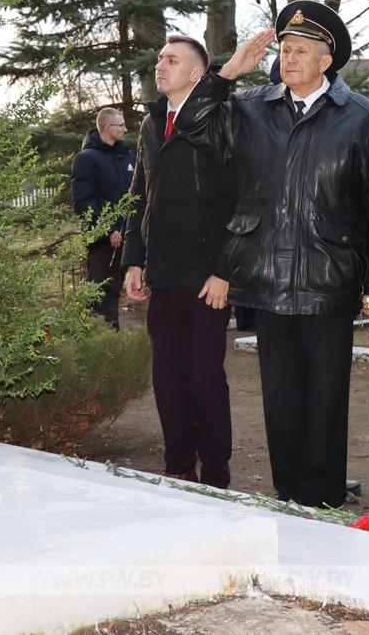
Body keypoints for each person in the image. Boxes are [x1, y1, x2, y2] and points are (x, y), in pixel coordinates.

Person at [176, 0, 369, 509]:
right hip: (269, 278)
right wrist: (229, 72)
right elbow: (191, 125)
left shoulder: (359, 118)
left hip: (330, 278)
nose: (289, 58)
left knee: (325, 397)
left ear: (326, 61)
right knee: (280, 397)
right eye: (286, 50)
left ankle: (322, 497)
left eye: (301, 51)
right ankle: (289, 494)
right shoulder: (253, 107)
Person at [121, 35, 237, 488]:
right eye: (159, 59)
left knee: (205, 376)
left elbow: (240, 200)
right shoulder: (152, 124)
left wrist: (225, 269)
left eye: (172, 60)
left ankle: (217, 472)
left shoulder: (219, 121)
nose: (160, 65)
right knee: (168, 377)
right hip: (163, 272)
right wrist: (134, 261)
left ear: (197, 74)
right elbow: (139, 196)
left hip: (207, 275)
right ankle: (179, 464)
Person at [71, 108, 135, 330]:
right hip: (101, 239)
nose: (125, 129)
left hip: (126, 234)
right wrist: (108, 230)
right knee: (99, 290)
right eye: (120, 125)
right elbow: (83, 202)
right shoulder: (86, 159)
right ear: (107, 127)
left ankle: (112, 338)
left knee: (115, 287)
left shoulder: (128, 156)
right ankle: (98, 340)